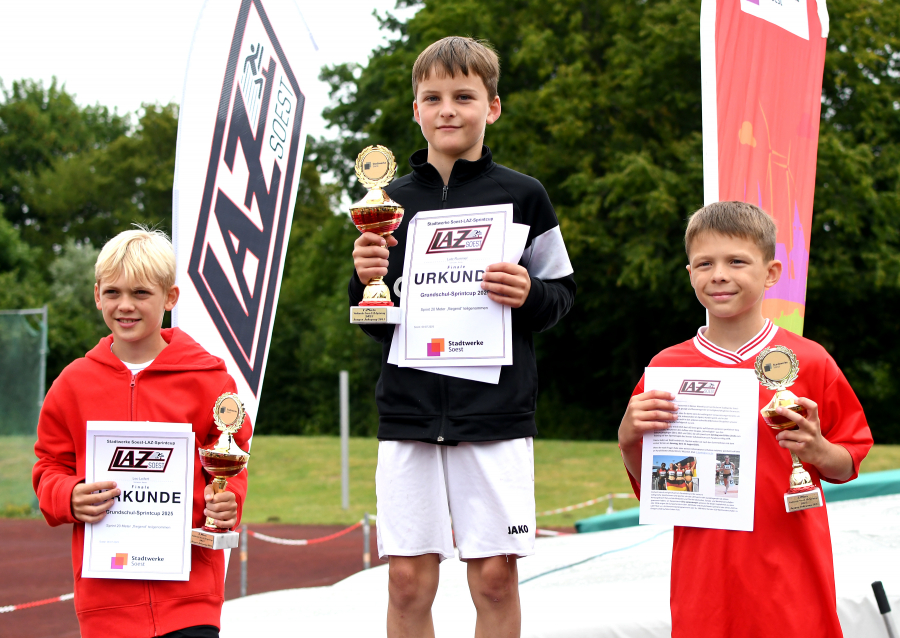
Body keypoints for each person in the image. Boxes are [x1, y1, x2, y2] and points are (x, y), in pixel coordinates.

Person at [349, 36, 575, 637]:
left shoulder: (525, 195)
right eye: (434, 97)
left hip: (495, 415)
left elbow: (562, 297)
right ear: (416, 110)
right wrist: (367, 278)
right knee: (406, 582)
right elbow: (373, 322)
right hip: (410, 415)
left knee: (495, 578)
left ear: (492, 107)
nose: (448, 109)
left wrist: (528, 296)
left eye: (463, 96)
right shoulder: (388, 202)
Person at [616, 201, 872, 637]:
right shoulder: (667, 367)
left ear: (771, 273)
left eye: (737, 261)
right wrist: (628, 439)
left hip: (793, 567)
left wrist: (818, 449)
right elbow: (657, 489)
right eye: (704, 263)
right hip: (706, 573)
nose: (719, 274)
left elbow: (848, 461)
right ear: (690, 273)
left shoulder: (809, 360)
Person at [33, 228, 252, 638]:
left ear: (170, 298)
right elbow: (49, 465)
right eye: (113, 292)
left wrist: (227, 502)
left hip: (190, 599)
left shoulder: (209, 380)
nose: (125, 305)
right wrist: (67, 495)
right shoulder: (72, 384)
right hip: (106, 601)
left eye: (141, 293)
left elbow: (232, 461)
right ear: (97, 294)